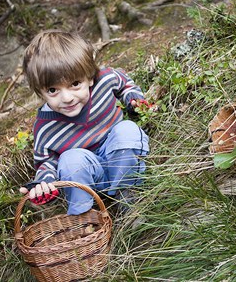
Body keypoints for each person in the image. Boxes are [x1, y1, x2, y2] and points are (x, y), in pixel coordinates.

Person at [18, 29, 150, 215]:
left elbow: (125, 84)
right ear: (40, 92)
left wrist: (133, 100)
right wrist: (44, 183)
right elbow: (46, 162)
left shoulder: (105, 80)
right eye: (53, 90)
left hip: (120, 158)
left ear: (89, 77)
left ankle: (127, 196)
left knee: (127, 130)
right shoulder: (45, 127)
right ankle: (84, 215)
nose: (67, 98)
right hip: (87, 177)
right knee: (70, 160)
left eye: (74, 84)